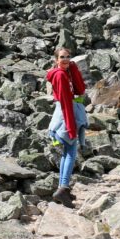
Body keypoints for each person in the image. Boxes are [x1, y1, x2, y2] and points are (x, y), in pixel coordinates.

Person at [46, 47, 87, 205]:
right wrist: (71, 127)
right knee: (70, 153)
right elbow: (65, 104)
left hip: (65, 115)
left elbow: (80, 89)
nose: (66, 59)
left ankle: (63, 190)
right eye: (62, 57)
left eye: (68, 57)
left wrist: (74, 68)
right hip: (65, 117)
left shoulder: (66, 72)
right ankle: (63, 187)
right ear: (56, 60)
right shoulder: (61, 76)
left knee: (66, 153)